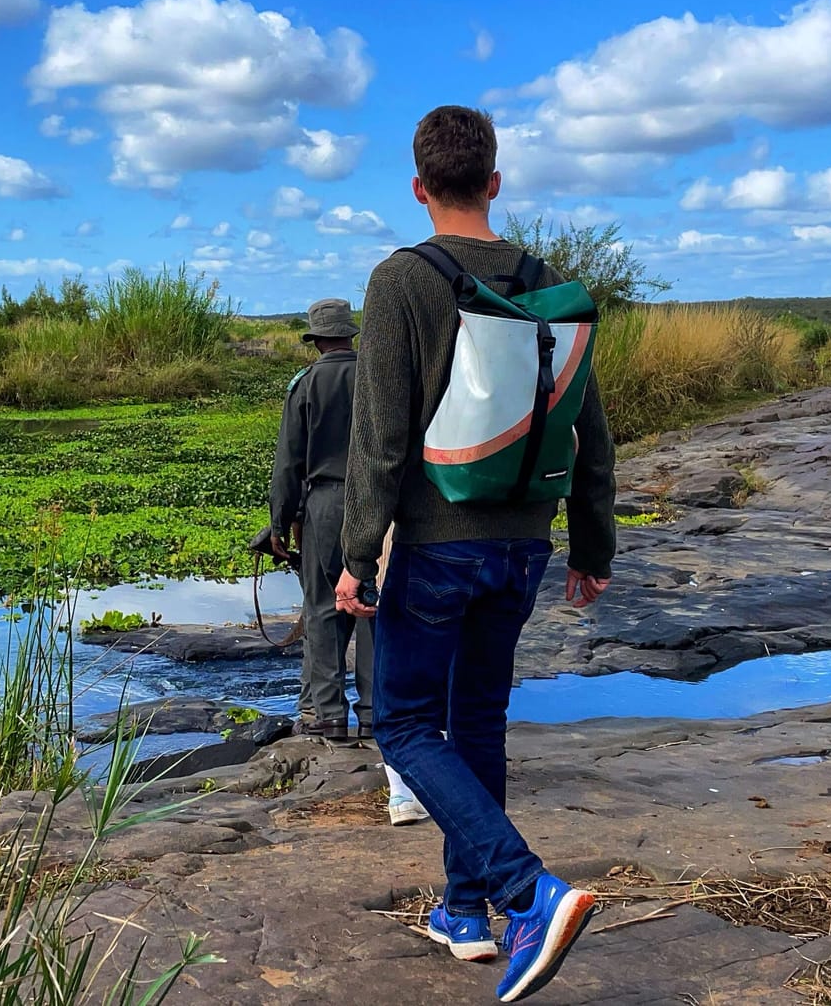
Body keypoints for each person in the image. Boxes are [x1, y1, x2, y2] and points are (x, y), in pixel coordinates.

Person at [336, 105, 617, 1002]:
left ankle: (527, 891)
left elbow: (379, 440)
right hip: (523, 547)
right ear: (494, 182)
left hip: (438, 547)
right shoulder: (548, 283)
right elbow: (592, 435)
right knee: (480, 720)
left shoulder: (402, 281)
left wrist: (357, 557)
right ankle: (465, 912)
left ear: (419, 188)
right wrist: (592, 544)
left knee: (406, 724)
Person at [269, 298, 375, 742]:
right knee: (373, 606)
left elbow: (289, 461)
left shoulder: (307, 384)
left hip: (325, 504)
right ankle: (373, 711)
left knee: (322, 608)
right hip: (378, 501)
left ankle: (329, 713)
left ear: (315, 341)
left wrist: (280, 522)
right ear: (351, 335)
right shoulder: (378, 376)